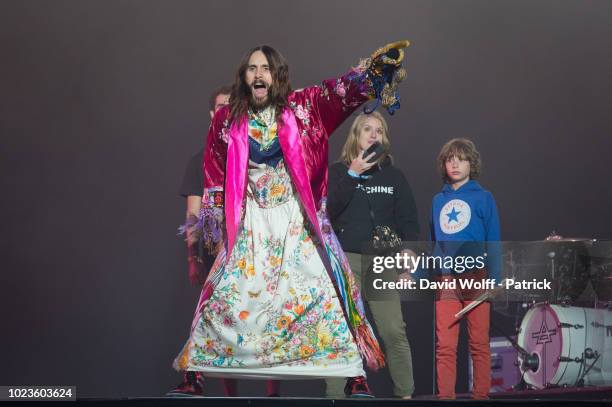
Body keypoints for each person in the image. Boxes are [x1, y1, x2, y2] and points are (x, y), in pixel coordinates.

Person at [170, 41, 411, 397]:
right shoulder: (228, 119)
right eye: (252, 68)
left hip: (298, 221)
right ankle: (194, 376)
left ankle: (354, 376)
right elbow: (214, 175)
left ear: (278, 75)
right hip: (251, 224)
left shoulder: (305, 107)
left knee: (326, 295)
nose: (258, 74)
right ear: (244, 77)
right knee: (225, 295)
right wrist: (212, 229)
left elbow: (339, 92)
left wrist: (371, 73)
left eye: (265, 68)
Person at [172, 86, 281, 397]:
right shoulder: (200, 160)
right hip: (214, 247)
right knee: (213, 316)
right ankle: (210, 386)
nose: (225, 113)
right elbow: (193, 214)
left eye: (231, 108)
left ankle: (273, 393)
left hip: (253, 247)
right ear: (211, 114)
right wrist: (193, 258)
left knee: (264, 318)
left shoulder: (254, 151)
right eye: (220, 107)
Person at [325, 110, 418, 399]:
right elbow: (327, 211)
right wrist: (353, 173)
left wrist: (408, 255)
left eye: (379, 130)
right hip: (346, 258)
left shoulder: (394, 176)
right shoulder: (338, 172)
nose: (374, 134)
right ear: (356, 136)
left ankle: (405, 395)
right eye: (367, 129)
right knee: (344, 331)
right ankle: (335, 398)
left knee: (393, 330)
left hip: (383, 261)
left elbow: (408, 220)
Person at [429, 138, 501, 399]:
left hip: (476, 276)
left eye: (461, 158)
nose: (455, 163)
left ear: (472, 163)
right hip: (446, 279)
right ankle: (445, 399)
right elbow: (434, 241)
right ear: (444, 165)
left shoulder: (484, 197)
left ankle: (481, 397)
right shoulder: (438, 200)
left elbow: (493, 239)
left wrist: (496, 279)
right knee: (445, 346)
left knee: (479, 344)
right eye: (450, 159)